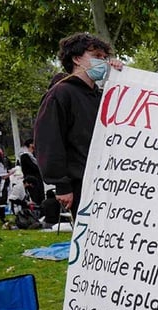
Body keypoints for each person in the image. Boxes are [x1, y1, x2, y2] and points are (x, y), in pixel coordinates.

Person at [34, 33, 122, 218]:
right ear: (76, 58)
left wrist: (123, 77)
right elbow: (49, 140)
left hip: (106, 182)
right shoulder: (60, 94)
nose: (103, 61)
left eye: (104, 57)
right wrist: (61, 184)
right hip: (80, 184)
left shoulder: (99, 96)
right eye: (96, 56)